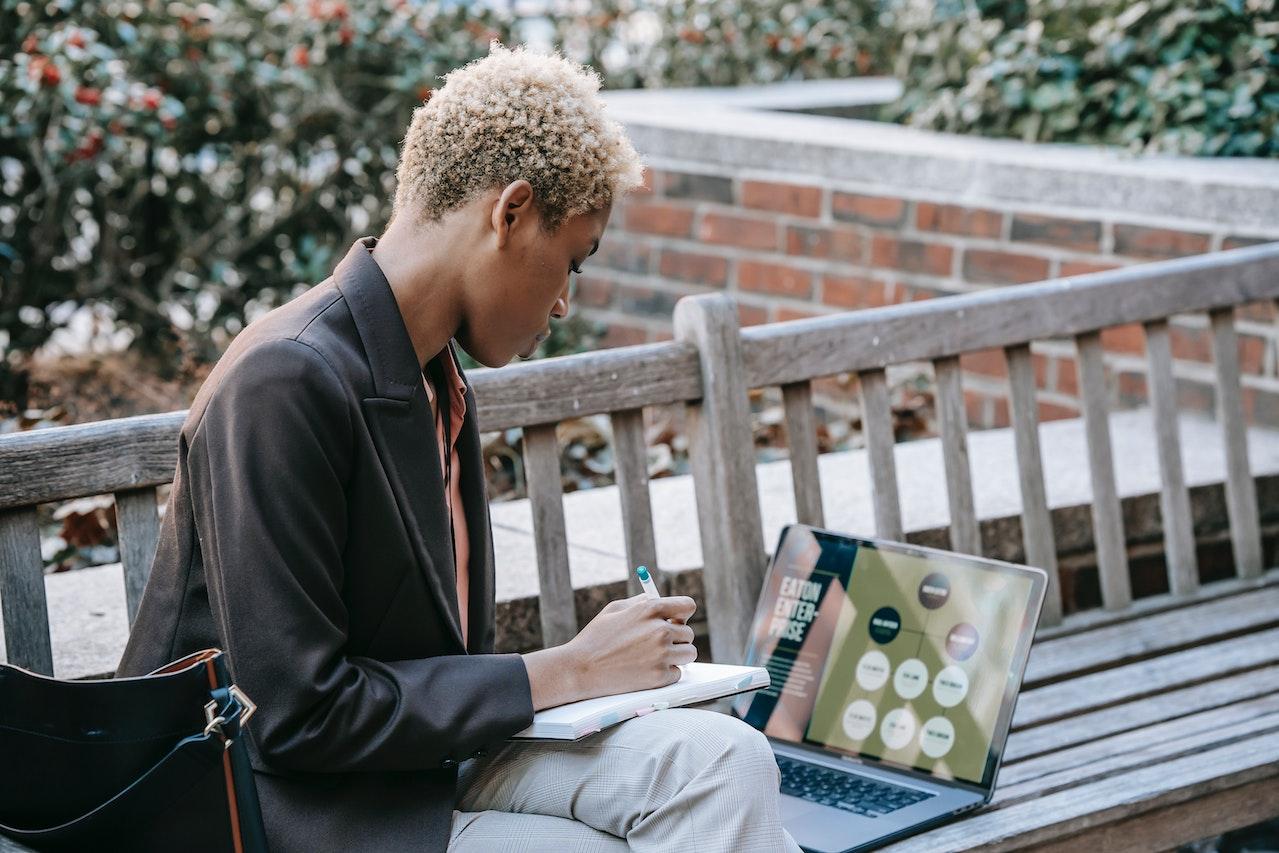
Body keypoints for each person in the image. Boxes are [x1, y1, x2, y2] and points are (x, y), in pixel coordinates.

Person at [116, 41, 802, 852]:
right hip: (266, 804)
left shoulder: (435, 376)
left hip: (415, 766)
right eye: (571, 261)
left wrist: (587, 680)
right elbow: (297, 718)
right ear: (508, 212)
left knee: (726, 760)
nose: (562, 304)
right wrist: (571, 669)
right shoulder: (283, 380)